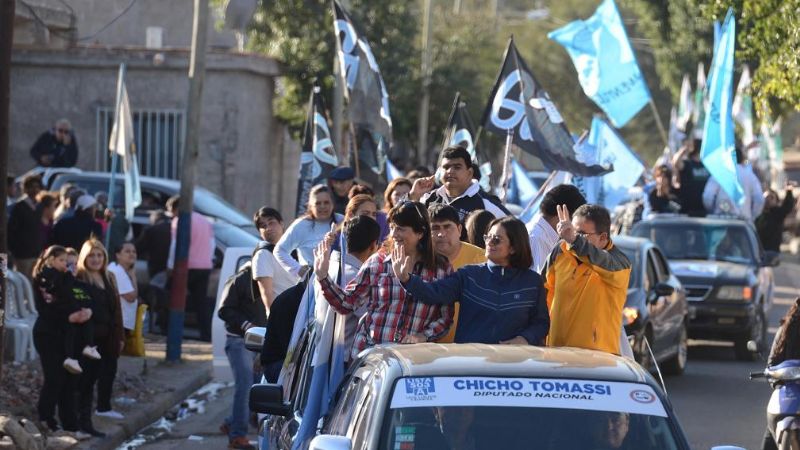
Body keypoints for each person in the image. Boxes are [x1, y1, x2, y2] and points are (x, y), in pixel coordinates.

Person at [313, 201, 453, 359]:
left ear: (420, 233)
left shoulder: (441, 269)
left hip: (412, 361)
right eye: (392, 227)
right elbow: (347, 303)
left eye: (400, 229)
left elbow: (445, 318)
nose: (394, 234)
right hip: (370, 356)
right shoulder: (378, 262)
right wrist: (323, 277)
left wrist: (422, 337)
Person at [395, 216, 549, 345]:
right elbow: (434, 293)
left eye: (496, 240)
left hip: (514, 368)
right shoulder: (469, 275)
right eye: (487, 237)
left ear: (513, 248)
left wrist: (524, 339)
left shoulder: (532, 282)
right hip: (471, 365)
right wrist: (407, 279)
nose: (489, 243)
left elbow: (541, 323)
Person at [543, 204, 631, 354]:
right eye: (572, 230)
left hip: (598, 361)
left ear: (603, 237)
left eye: (581, 234)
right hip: (557, 354)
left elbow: (600, 259)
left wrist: (575, 240)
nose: (571, 236)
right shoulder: (560, 251)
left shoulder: (619, 263)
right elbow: (543, 294)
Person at [32, 245, 93, 436]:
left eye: (68, 262)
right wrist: (69, 316)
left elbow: (76, 301)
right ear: (50, 260)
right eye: (62, 261)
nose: (66, 265)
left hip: (66, 335)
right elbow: (51, 308)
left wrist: (86, 312)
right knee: (54, 377)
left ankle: (70, 425)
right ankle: (46, 418)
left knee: (68, 380)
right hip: (48, 334)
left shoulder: (67, 279)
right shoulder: (45, 278)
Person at [217, 256, 269, 450]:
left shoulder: (272, 278)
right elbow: (224, 310)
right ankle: (238, 436)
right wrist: (247, 325)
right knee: (246, 386)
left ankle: (233, 422)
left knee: (258, 390)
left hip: (260, 343)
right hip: (239, 341)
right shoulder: (241, 279)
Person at [75, 239, 125, 436]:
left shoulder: (109, 277)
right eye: (91, 255)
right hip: (87, 340)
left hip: (108, 337)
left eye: (99, 255)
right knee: (84, 382)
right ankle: (79, 423)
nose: (95, 259)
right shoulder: (79, 278)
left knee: (96, 377)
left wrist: (120, 336)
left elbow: (117, 310)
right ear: (84, 258)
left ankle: (87, 423)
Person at [408, 146, 509, 233]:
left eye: (457, 167)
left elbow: (516, 234)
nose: (450, 171)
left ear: (469, 173)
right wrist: (413, 196)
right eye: (446, 167)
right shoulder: (428, 198)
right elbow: (404, 226)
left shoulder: (487, 204)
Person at [33, 245, 101, 375]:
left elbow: (98, 306)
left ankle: (86, 347)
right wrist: (69, 317)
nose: (71, 267)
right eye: (67, 263)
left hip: (75, 335)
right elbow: (48, 307)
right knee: (54, 381)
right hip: (51, 334)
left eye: (75, 264)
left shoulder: (82, 285)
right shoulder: (51, 278)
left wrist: (89, 312)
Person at [426, 204, 486, 342]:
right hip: (426, 348)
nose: (441, 234)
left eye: (447, 227)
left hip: (468, 349)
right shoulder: (418, 261)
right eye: (435, 228)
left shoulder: (481, 259)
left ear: (459, 229)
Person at [166, 195, 215, 341]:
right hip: (204, 266)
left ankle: (170, 332)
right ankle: (206, 335)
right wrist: (209, 261)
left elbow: (175, 245)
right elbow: (212, 244)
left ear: (176, 208)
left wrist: (170, 266)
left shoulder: (179, 221)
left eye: (171, 211)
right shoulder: (205, 221)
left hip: (186, 267)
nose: (171, 215)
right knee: (201, 303)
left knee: (172, 298)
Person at [275, 184, 343, 279]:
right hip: (311, 283)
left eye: (326, 202)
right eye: (318, 203)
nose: (322, 206)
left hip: (339, 281)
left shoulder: (342, 221)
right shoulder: (301, 225)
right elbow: (279, 250)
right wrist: (298, 269)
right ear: (310, 205)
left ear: (332, 203)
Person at [762, 298, 800, 450]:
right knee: (770, 434)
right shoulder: (786, 329)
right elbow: (772, 363)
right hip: (787, 390)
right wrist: (776, 380)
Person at [528, 184, 587, 274]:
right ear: (562, 214)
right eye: (575, 219)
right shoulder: (538, 237)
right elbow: (541, 282)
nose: (576, 227)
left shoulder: (545, 234)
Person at [252, 207, 297, 312]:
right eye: (263, 226)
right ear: (260, 233)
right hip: (283, 314)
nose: (268, 228)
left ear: (281, 223)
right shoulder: (263, 254)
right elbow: (267, 295)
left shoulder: (295, 248)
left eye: (271, 222)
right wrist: (275, 318)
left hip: (302, 312)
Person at [703, 147, 764, 220]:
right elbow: (759, 199)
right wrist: (751, 216)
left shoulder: (718, 174)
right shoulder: (750, 176)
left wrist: (714, 212)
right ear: (742, 159)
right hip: (743, 223)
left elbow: (708, 197)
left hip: (720, 220)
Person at [8, 174, 44, 278]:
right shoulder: (19, 206)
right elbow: (12, 230)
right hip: (22, 254)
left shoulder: (39, 206)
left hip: (35, 252)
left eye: (37, 187)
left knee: (33, 281)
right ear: (25, 188)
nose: (35, 189)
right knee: (22, 280)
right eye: (31, 187)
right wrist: (15, 250)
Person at [671, 139, 710, 217]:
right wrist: (684, 149)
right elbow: (675, 162)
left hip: (705, 210)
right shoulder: (687, 164)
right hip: (688, 211)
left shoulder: (708, 165)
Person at [107, 242, 139, 335]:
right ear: (118, 255)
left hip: (121, 323)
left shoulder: (121, 270)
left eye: (134, 251)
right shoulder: (117, 271)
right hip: (119, 323)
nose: (132, 254)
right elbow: (131, 297)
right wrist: (133, 276)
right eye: (127, 251)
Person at [756, 183, 796, 252]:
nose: (768, 200)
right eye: (766, 197)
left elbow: (787, 206)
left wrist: (789, 191)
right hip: (757, 251)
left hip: (771, 251)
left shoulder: (777, 213)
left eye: (771, 197)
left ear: (776, 201)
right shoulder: (757, 213)